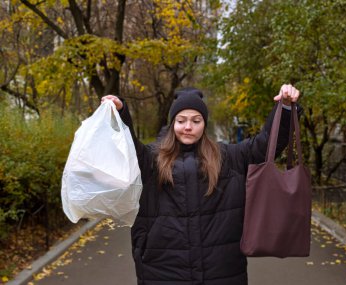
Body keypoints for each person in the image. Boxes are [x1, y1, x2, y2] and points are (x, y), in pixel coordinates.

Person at [101, 84, 300, 285]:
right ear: (172, 123)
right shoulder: (150, 160)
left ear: (204, 124)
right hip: (161, 270)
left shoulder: (229, 158)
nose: (188, 126)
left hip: (221, 271)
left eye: (196, 121)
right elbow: (126, 146)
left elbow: (264, 146)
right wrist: (119, 113)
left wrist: (284, 109)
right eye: (181, 120)